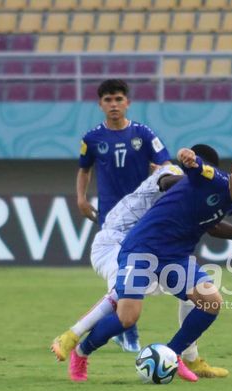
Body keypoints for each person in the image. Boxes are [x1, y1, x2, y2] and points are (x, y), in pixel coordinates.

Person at [52, 145, 232, 378]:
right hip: (142, 249)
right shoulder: (211, 178)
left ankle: (171, 355)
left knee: (211, 302)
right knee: (128, 317)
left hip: (176, 257)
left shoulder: (230, 203)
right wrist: (188, 157)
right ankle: (82, 352)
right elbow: (192, 164)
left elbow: (214, 228)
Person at [76, 79, 172, 352]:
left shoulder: (143, 133)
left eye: (118, 99)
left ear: (127, 102)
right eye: (108, 100)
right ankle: (127, 330)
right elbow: (84, 169)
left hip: (141, 215)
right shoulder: (92, 138)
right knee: (121, 273)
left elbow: (166, 165)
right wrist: (81, 198)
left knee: (134, 272)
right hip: (110, 217)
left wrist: (159, 171)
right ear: (100, 104)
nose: (114, 105)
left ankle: (123, 327)